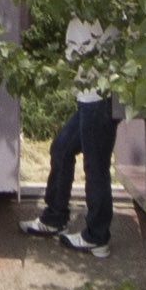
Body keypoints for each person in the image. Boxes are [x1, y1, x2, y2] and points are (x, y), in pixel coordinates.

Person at [37, 26, 121, 254]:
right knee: (61, 149)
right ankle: (54, 217)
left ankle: (97, 236)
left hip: (99, 98)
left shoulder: (104, 3)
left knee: (95, 167)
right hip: (88, 97)